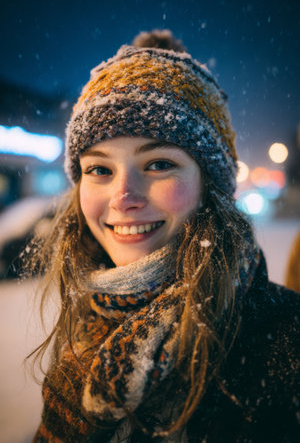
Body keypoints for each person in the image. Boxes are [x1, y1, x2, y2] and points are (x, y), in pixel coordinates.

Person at [26, 30, 299, 442]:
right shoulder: (80, 343)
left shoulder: (285, 345)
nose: (123, 197)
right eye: (100, 169)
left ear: (210, 184)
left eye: (157, 164)